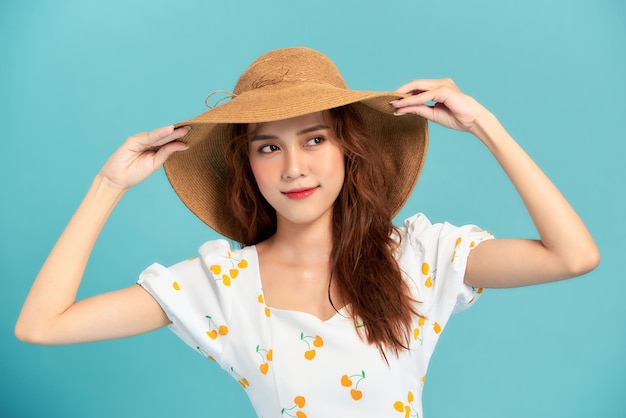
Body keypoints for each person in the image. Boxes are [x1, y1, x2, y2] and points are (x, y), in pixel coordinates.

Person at [15, 47, 599, 417]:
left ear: (350, 150)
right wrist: (108, 184)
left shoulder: (418, 258)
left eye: (314, 139)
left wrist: (484, 125)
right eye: (269, 147)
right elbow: (41, 326)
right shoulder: (223, 286)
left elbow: (573, 256)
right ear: (248, 166)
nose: (293, 167)